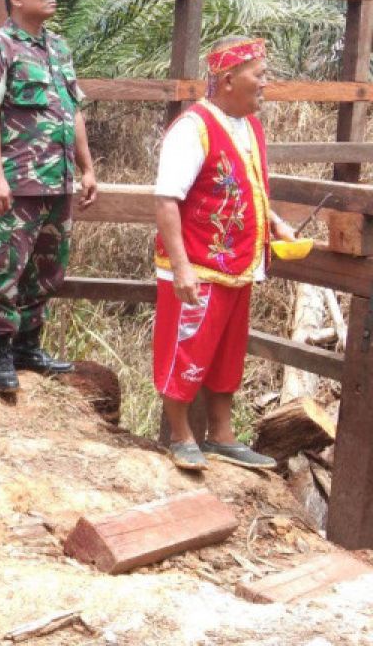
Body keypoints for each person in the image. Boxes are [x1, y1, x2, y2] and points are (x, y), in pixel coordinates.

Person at [153, 36, 290, 471]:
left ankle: (222, 434)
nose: (266, 84)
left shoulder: (250, 126)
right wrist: (180, 268)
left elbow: (251, 186)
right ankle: (180, 435)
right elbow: (167, 201)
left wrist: (276, 224)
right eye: (260, 75)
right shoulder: (192, 128)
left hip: (239, 264)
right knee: (187, 347)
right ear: (228, 80)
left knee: (227, 352)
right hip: (198, 264)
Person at [0, 0, 97, 394]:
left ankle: (28, 345)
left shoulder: (58, 48)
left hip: (58, 181)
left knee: (47, 268)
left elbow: (72, 108)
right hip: (19, 179)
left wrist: (87, 167)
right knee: (5, 265)